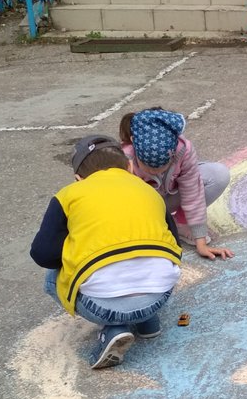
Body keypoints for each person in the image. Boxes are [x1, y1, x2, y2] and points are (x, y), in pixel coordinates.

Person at [30, 135, 183, 370]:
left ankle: (114, 330)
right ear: (129, 167)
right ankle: (146, 322)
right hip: (158, 297)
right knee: (152, 255)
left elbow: (43, 254)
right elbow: (175, 244)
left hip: (101, 306)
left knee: (53, 276)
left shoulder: (69, 195)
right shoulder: (149, 191)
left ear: (78, 178)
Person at [119, 107, 234, 259]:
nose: (156, 172)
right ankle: (157, 225)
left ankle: (180, 223)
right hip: (141, 208)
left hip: (166, 200)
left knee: (218, 174)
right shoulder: (123, 157)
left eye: (163, 167)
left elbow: (193, 193)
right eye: (149, 167)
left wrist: (201, 243)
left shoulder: (183, 150)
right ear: (134, 144)